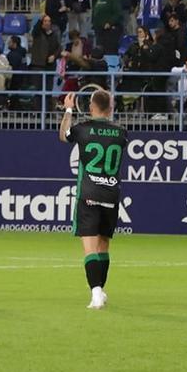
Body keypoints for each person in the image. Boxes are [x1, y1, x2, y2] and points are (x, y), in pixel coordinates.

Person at [60, 85, 124, 310]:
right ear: (111, 107)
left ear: (90, 106)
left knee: (89, 247)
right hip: (111, 194)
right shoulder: (121, 132)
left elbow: (63, 136)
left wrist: (68, 111)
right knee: (104, 246)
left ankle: (96, 292)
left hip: (88, 193)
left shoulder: (83, 129)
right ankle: (101, 290)